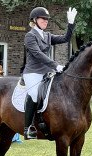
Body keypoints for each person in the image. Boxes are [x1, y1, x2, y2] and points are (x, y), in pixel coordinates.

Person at [23, 6, 77, 139]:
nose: (46, 21)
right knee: (35, 94)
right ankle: (28, 128)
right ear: (35, 20)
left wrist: (70, 24)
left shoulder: (47, 36)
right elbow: (37, 54)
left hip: (47, 72)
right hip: (33, 73)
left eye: (47, 20)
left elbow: (65, 39)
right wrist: (55, 65)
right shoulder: (30, 36)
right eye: (43, 19)